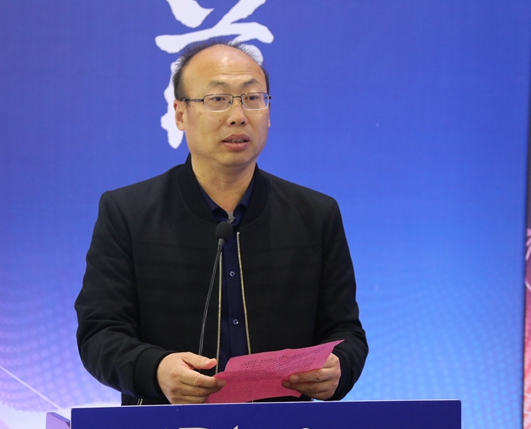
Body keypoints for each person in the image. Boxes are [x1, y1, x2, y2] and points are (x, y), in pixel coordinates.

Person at [75, 40, 367, 405]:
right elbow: (99, 334)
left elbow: (346, 332)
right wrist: (156, 370)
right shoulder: (128, 213)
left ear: (268, 112)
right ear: (180, 113)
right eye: (218, 99)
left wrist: (338, 368)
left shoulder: (315, 215)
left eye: (252, 98)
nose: (238, 115)